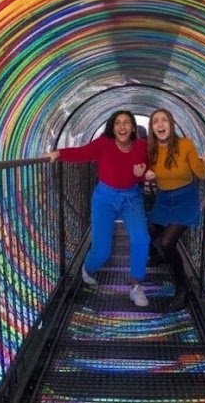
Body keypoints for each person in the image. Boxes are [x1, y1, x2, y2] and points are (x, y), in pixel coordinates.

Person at [46, 110, 154, 307]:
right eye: (118, 123)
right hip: (105, 198)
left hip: (131, 198)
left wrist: (144, 173)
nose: (122, 127)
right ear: (112, 127)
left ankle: (136, 284)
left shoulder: (141, 146)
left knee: (141, 239)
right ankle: (88, 268)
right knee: (102, 251)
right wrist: (58, 154)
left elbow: (151, 167)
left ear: (132, 128)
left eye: (126, 123)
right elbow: (82, 153)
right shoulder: (104, 144)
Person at [145, 108, 205, 289]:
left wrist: (204, 162)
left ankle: (182, 287)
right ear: (152, 128)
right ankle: (161, 256)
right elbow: (154, 173)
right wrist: (148, 174)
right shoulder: (152, 150)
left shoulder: (185, 144)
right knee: (146, 233)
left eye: (164, 120)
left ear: (171, 124)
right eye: (155, 121)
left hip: (185, 198)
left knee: (167, 242)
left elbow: (202, 174)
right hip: (164, 199)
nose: (160, 124)